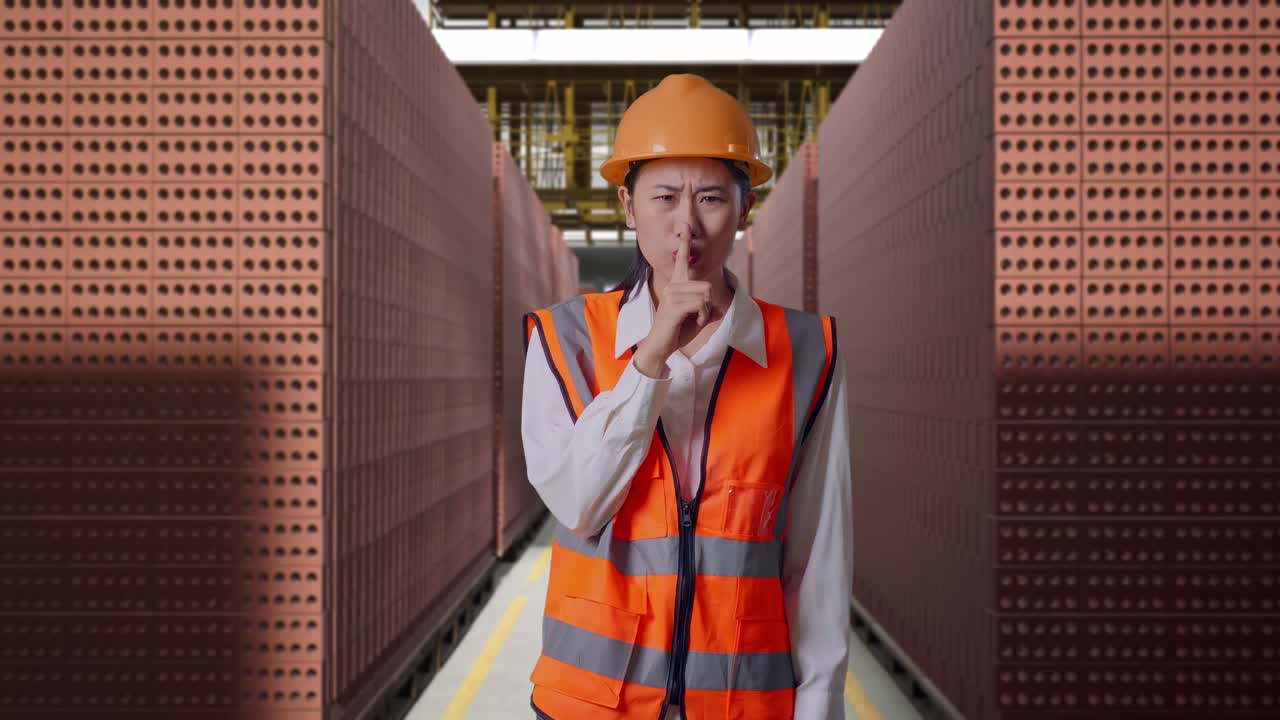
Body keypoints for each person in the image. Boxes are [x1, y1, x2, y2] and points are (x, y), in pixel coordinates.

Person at [521, 73, 852, 720]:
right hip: (591, 706)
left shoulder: (807, 351)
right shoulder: (565, 340)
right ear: (626, 204)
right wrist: (649, 360)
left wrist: (820, 710)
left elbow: (819, 559)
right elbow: (577, 503)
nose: (686, 227)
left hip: (741, 704)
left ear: (745, 206)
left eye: (710, 198)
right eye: (665, 196)